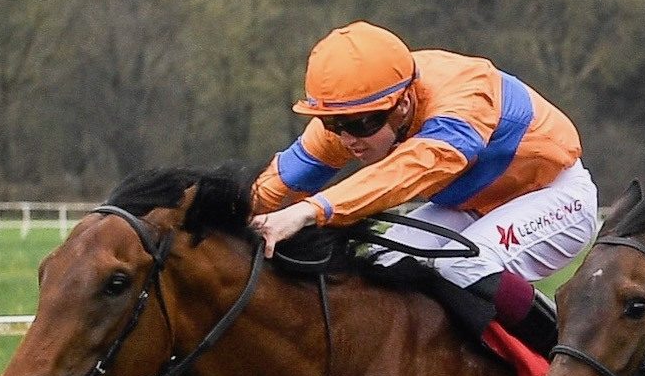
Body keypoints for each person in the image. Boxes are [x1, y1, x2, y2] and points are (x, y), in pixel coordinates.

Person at [251, 22, 596, 333]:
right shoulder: (351, 113)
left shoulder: (463, 98)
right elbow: (276, 185)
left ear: (402, 104)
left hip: (554, 195)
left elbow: (407, 172)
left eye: (361, 124)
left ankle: (564, 353)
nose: (347, 139)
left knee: (464, 265)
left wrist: (308, 211)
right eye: (332, 124)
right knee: (382, 261)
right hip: (470, 207)